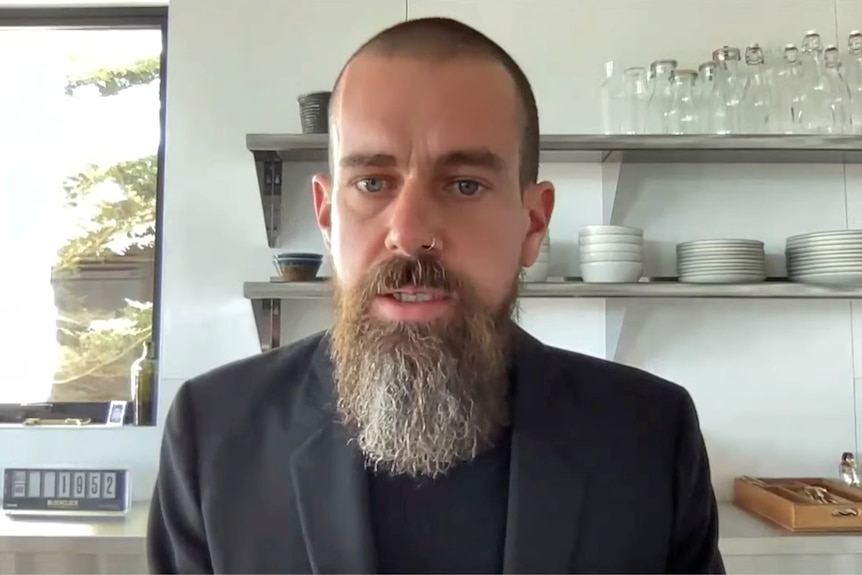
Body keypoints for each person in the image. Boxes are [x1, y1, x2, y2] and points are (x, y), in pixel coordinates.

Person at [147, 16, 725, 575]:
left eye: (465, 184)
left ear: (532, 224)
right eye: (372, 183)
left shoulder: (648, 436)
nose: (409, 231)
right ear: (327, 217)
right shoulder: (214, 435)